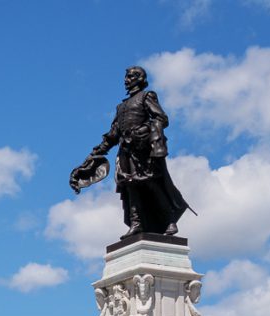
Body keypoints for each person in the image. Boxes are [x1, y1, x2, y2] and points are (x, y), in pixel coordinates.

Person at [76, 65, 190, 236]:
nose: (126, 80)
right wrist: (97, 151)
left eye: (130, 77)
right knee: (130, 186)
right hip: (126, 152)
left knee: (149, 183)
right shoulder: (121, 107)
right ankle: (136, 224)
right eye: (126, 77)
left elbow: (161, 118)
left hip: (142, 150)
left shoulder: (146, 96)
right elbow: (114, 133)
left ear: (139, 78)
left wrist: (144, 132)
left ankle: (169, 220)